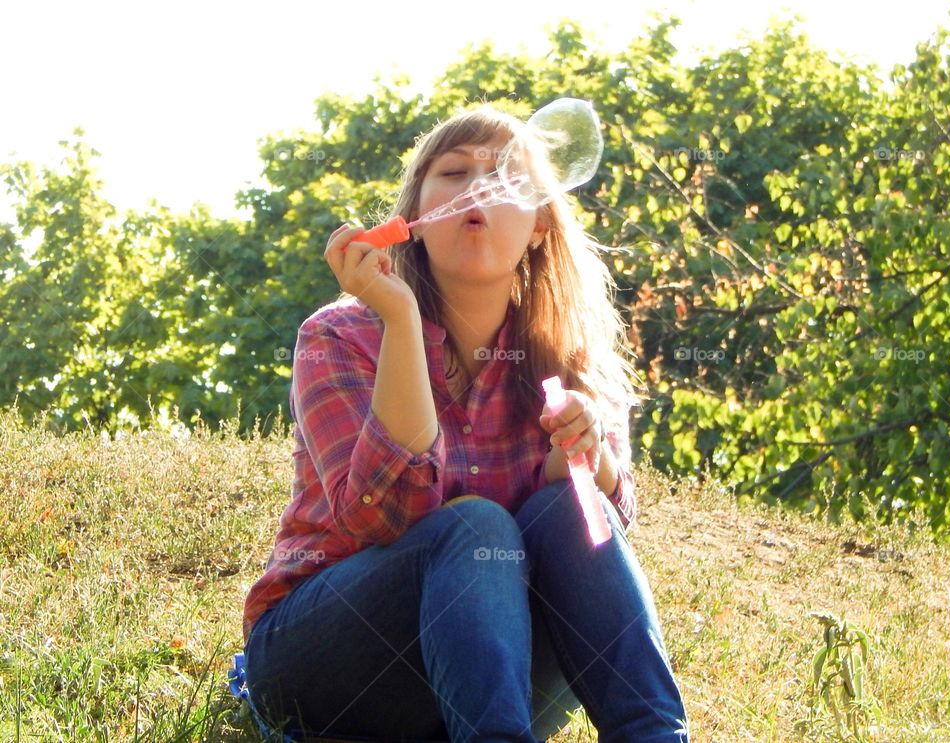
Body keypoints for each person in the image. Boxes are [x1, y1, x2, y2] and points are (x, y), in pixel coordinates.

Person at [241, 104, 689, 742]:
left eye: (507, 175)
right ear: (414, 222)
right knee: (474, 525)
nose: (480, 185)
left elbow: (601, 545)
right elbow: (379, 518)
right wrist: (398, 320)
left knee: (570, 507)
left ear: (538, 225)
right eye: (454, 172)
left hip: (500, 672)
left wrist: (587, 462)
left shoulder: (571, 359)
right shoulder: (341, 336)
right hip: (333, 661)